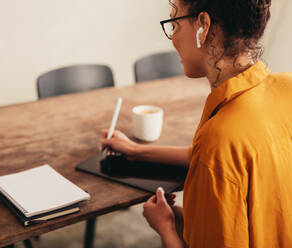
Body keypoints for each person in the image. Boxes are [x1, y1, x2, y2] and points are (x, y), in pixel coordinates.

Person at [100, 0, 292, 247]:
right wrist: (136, 151)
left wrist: (164, 225)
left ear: (203, 24)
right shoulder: (287, 89)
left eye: (174, 23)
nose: (172, 39)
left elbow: (218, 155)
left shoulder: (220, 137)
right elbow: (224, 161)